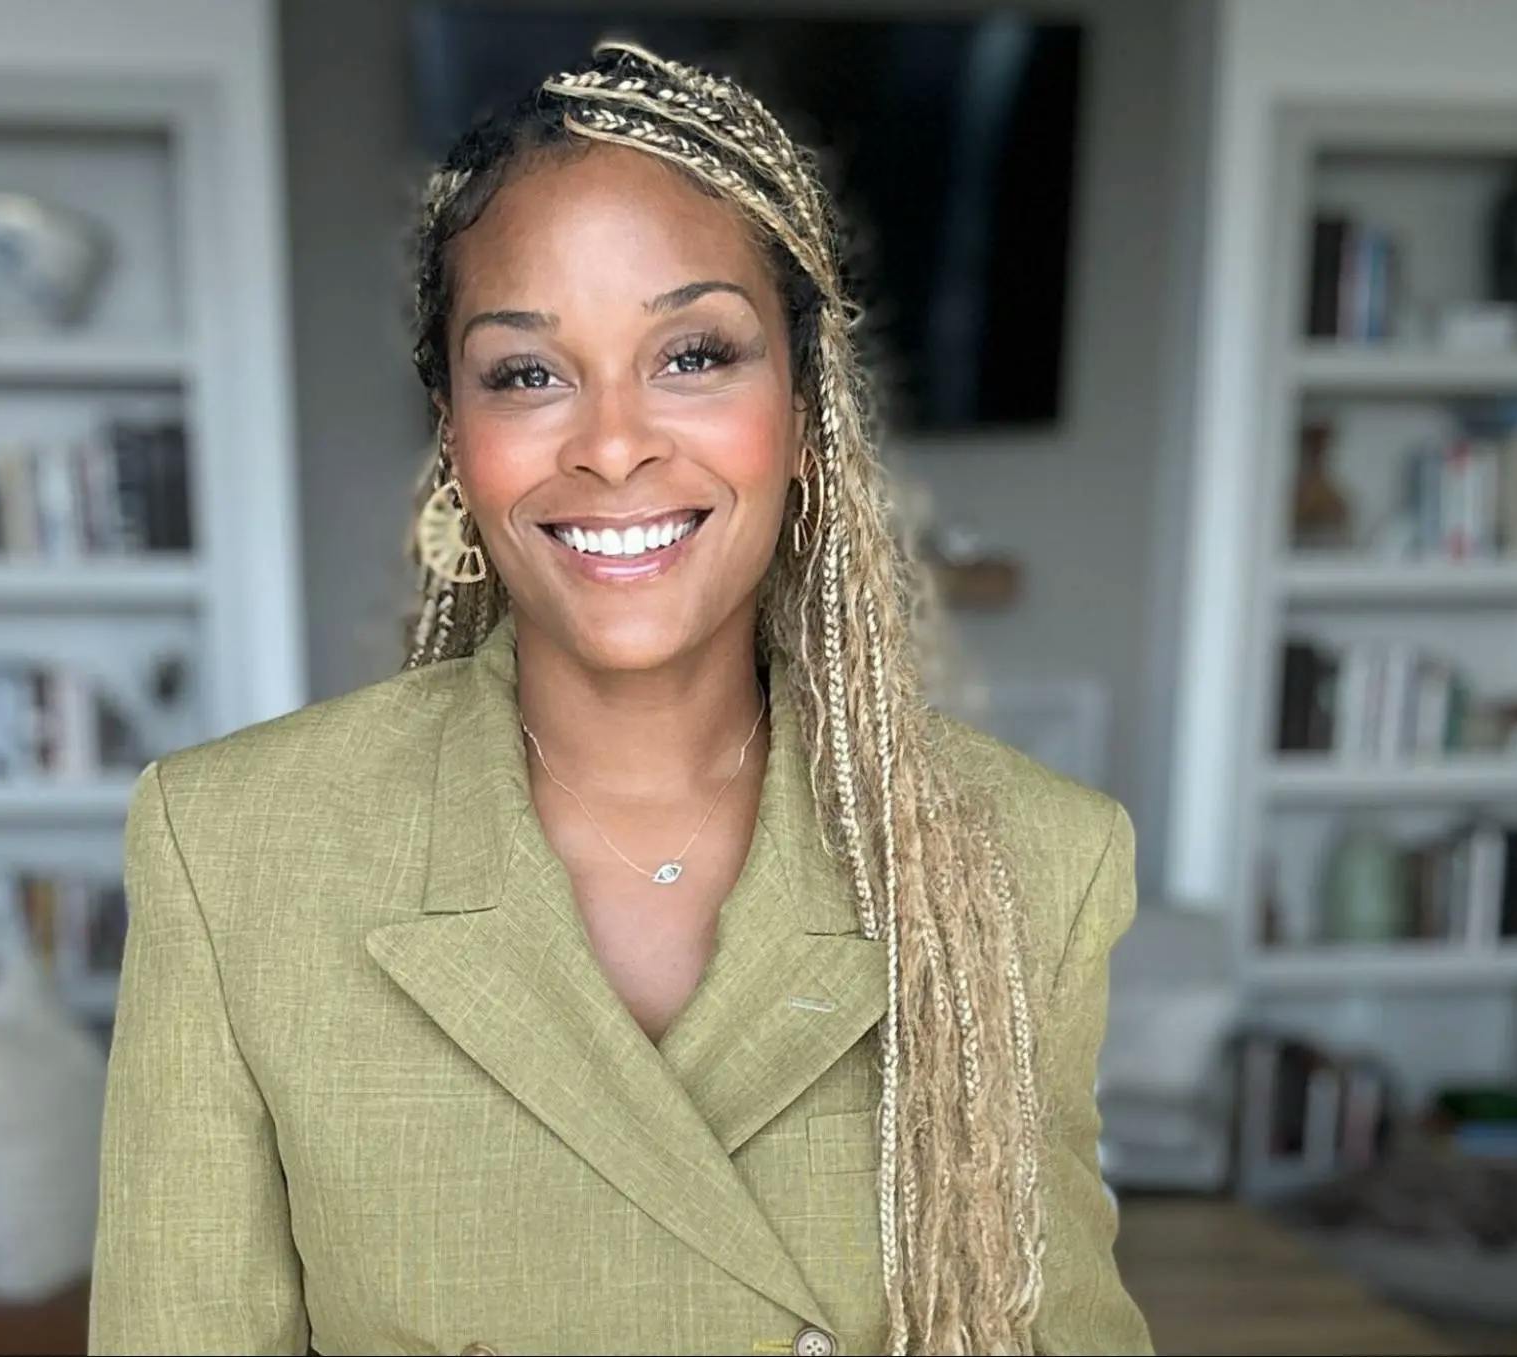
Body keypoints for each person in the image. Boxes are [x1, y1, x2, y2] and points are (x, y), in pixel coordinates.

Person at [89, 39, 1150, 1357]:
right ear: (453, 434)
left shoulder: (1028, 860)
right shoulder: (232, 849)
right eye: (528, 373)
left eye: (693, 353)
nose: (610, 442)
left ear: (805, 412)